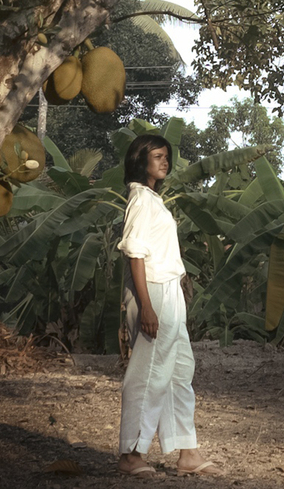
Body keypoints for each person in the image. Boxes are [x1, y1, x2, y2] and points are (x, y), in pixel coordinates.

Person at [116, 134, 223, 478]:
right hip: (153, 292)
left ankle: (187, 452)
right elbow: (135, 253)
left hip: (170, 291)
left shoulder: (152, 199)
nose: (164, 162)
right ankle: (132, 453)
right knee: (148, 373)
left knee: (178, 371)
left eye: (166, 156)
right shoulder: (140, 200)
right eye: (157, 156)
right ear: (140, 160)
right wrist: (147, 306)